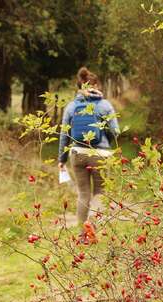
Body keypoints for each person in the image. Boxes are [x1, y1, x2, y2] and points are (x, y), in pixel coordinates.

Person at [58, 67, 119, 226]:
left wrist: (61, 159)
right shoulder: (105, 105)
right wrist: (107, 143)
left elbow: (64, 135)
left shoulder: (71, 106)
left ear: (80, 86)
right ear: (96, 86)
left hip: (77, 154)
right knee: (100, 192)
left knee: (83, 193)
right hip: (100, 154)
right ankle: (92, 225)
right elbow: (115, 131)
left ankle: (81, 233)